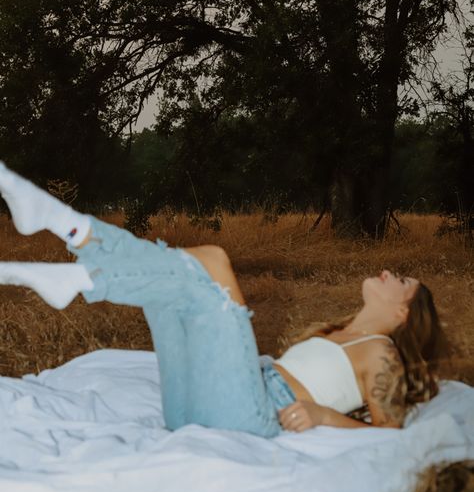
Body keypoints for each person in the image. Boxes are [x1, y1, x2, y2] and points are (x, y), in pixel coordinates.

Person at [0, 162, 449, 437]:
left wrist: (325, 418)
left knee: (211, 260)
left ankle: (71, 239)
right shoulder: (341, 333)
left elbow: (392, 433)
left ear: (403, 312)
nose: (389, 271)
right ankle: (71, 238)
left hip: (250, 414)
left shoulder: (382, 351)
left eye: (402, 279)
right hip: (195, 409)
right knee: (176, 284)